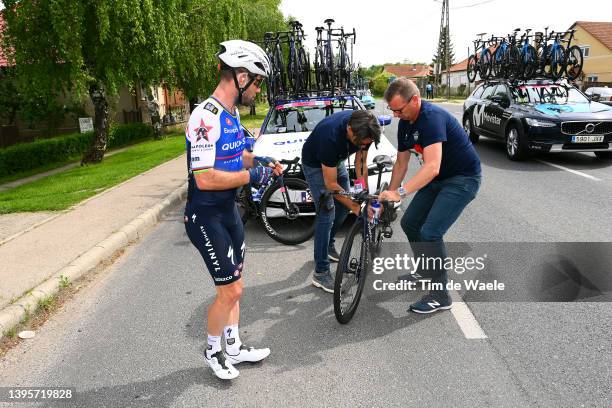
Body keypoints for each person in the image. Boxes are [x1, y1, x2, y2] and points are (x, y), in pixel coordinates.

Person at [183, 40, 283, 380]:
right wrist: (250, 175)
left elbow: (235, 154)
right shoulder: (204, 117)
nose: (258, 90)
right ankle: (213, 352)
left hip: (229, 213)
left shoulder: (231, 113)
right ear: (240, 76)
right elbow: (206, 178)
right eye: (257, 82)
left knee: (236, 284)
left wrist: (259, 160)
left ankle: (234, 348)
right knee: (230, 290)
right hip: (205, 214)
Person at [378, 78, 481, 314]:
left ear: (414, 99)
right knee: (410, 223)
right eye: (392, 110)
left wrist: (401, 192)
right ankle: (425, 270)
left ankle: (441, 295)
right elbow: (401, 164)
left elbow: (432, 166)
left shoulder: (432, 118)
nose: (395, 115)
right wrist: (390, 195)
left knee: (431, 232)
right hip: (437, 180)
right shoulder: (406, 121)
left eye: (399, 109)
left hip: (462, 179)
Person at [301, 110, 381, 292]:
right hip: (315, 165)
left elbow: (361, 163)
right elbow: (330, 185)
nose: (363, 146)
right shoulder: (330, 137)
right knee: (326, 213)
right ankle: (320, 273)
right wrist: (357, 207)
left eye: (366, 144)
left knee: (344, 209)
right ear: (349, 130)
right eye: (360, 143)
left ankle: (327, 246)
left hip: (337, 162)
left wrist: (363, 195)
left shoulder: (366, 128)